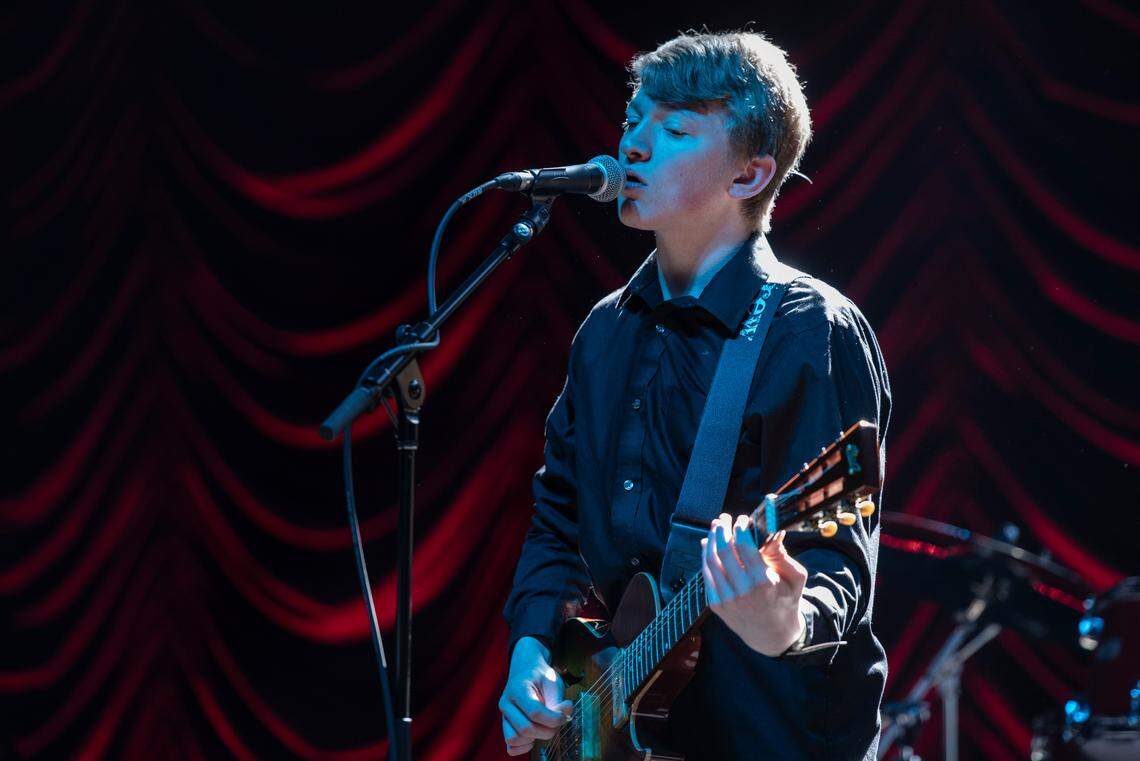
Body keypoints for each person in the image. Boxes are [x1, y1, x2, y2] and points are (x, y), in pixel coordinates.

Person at [499, 29, 891, 761]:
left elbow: (835, 566)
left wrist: (784, 618)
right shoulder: (603, 333)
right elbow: (556, 521)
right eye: (633, 120)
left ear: (750, 175)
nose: (635, 145)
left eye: (675, 128)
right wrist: (531, 648)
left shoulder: (811, 330)